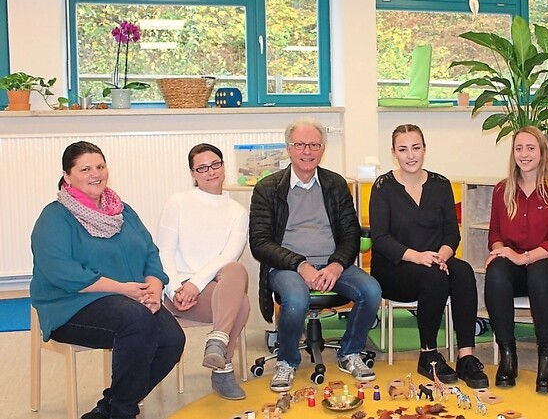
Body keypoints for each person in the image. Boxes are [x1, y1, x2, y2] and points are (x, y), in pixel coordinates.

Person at [30, 141, 185, 419]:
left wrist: (154, 286)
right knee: (136, 322)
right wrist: (122, 289)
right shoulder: (54, 216)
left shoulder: (122, 210)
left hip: (131, 300)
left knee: (172, 339)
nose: (95, 174)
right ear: (68, 176)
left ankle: (109, 408)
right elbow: (61, 272)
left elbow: (149, 251)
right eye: (85, 168)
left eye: (100, 166)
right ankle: (123, 412)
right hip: (70, 305)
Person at [249, 117, 382, 393]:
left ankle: (350, 352)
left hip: (333, 263)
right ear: (289, 148)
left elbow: (350, 234)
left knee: (371, 290)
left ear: (323, 149)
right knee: (296, 298)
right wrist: (300, 266)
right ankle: (286, 360)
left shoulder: (335, 184)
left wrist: (335, 265)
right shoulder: (267, 188)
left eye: (314, 145)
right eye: (300, 144)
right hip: (287, 268)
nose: (307, 151)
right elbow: (259, 243)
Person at [369, 124, 489, 388]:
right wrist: (418, 257)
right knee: (434, 278)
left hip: (436, 260)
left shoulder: (441, 184)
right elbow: (380, 239)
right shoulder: (382, 187)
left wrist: (442, 256)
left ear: (425, 149)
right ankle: (428, 354)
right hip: (394, 267)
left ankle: (466, 355)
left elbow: (451, 234)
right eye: (403, 149)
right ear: (393, 153)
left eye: (416, 148)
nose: (410, 155)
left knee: (464, 271)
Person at [484, 126, 548, 393]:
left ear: (542, 152)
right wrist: (500, 250)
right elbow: (495, 233)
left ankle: (546, 358)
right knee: (496, 270)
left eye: (530, 148)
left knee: (539, 271)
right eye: (519, 148)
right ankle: (507, 354)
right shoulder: (502, 190)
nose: (524, 154)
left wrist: (523, 257)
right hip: (516, 265)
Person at [156, 143, 250, 400]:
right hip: (176, 290)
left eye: (215, 164)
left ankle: (218, 343)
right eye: (202, 168)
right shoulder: (178, 202)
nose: (210, 171)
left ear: (223, 166)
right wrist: (175, 288)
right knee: (240, 304)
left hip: (208, 288)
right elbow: (163, 250)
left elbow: (227, 255)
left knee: (236, 269)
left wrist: (196, 284)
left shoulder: (237, 212)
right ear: (193, 173)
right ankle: (224, 369)